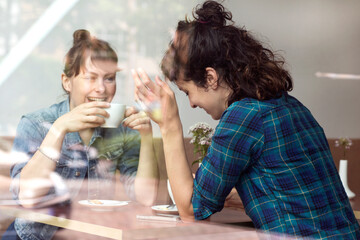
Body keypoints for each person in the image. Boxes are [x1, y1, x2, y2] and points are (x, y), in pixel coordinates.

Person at [131, 1, 360, 238]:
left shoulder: (243, 116)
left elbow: (191, 211)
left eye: (187, 92)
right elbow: (290, 190)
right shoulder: (291, 106)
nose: (191, 103)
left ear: (210, 78)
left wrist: (169, 124)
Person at [5, 29, 159, 240]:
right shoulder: (36, 124)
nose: (101, 89)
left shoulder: (121, 129)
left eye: (109, 78)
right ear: (67, 82)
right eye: (91, 78)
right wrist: (59, 129)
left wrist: (146, 135)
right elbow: (27, 196)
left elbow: (146, 197)